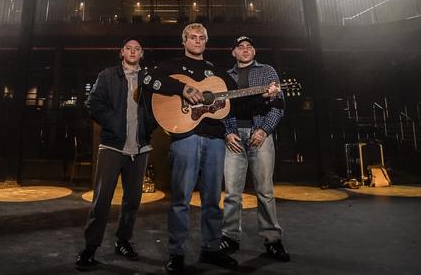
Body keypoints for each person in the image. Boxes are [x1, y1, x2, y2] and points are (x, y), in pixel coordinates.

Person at [142, 23, 279, 274]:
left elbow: (236, 104)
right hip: (185, 138)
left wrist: (264, 96)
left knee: (213, 199)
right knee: (181, 199)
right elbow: (147, 79)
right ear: (184, 41)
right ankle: (177, 253)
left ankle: (212, 248)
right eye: (192, 37)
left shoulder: (216, 73)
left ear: (206, 42)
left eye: (201, 38)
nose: (197, 41)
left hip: (216, 140)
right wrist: (182, 88)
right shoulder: (171, 66)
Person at [76, 37, 156, 271]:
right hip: (112, 146)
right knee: (101, 201)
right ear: (122, 52)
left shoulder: (149, 79)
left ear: (142, 54)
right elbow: (93, 103)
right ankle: (90, 249)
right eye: (128, 48)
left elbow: (158, 107)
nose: (133, 51)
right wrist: (113, 122)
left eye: (137, 48)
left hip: (140, 149)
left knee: (132, 201)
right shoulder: (108, 75)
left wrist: (149, 126)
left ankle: (123, 242)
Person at [221, 35, 290, 261]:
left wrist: (264, 130)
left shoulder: (268, 71)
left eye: (249, 46)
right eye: (240, 47)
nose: (245, 49)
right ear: (234, 52)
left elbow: (278, 105)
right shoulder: (225, 77)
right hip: (234, 138)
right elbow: (221, 108)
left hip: (259, 135)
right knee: (232, 193)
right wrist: (228, 132)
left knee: (265, 191)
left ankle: (272, 240)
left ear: (254, 51)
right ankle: (229, 237)